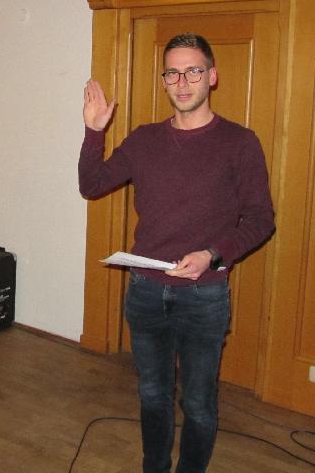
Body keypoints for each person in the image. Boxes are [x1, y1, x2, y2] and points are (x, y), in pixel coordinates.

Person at [78, 33, 274, 472]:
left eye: (193, 71)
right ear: (164, 80)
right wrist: (94, 132)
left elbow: (262, 219)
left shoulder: (240, 143)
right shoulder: (145, 139)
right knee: (152, 395)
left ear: (212, 77)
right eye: (172, 72)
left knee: (200, 403)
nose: (182, 82)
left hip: (203, 296)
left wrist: (214, 254)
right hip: (146, 291)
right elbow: (91, 186)